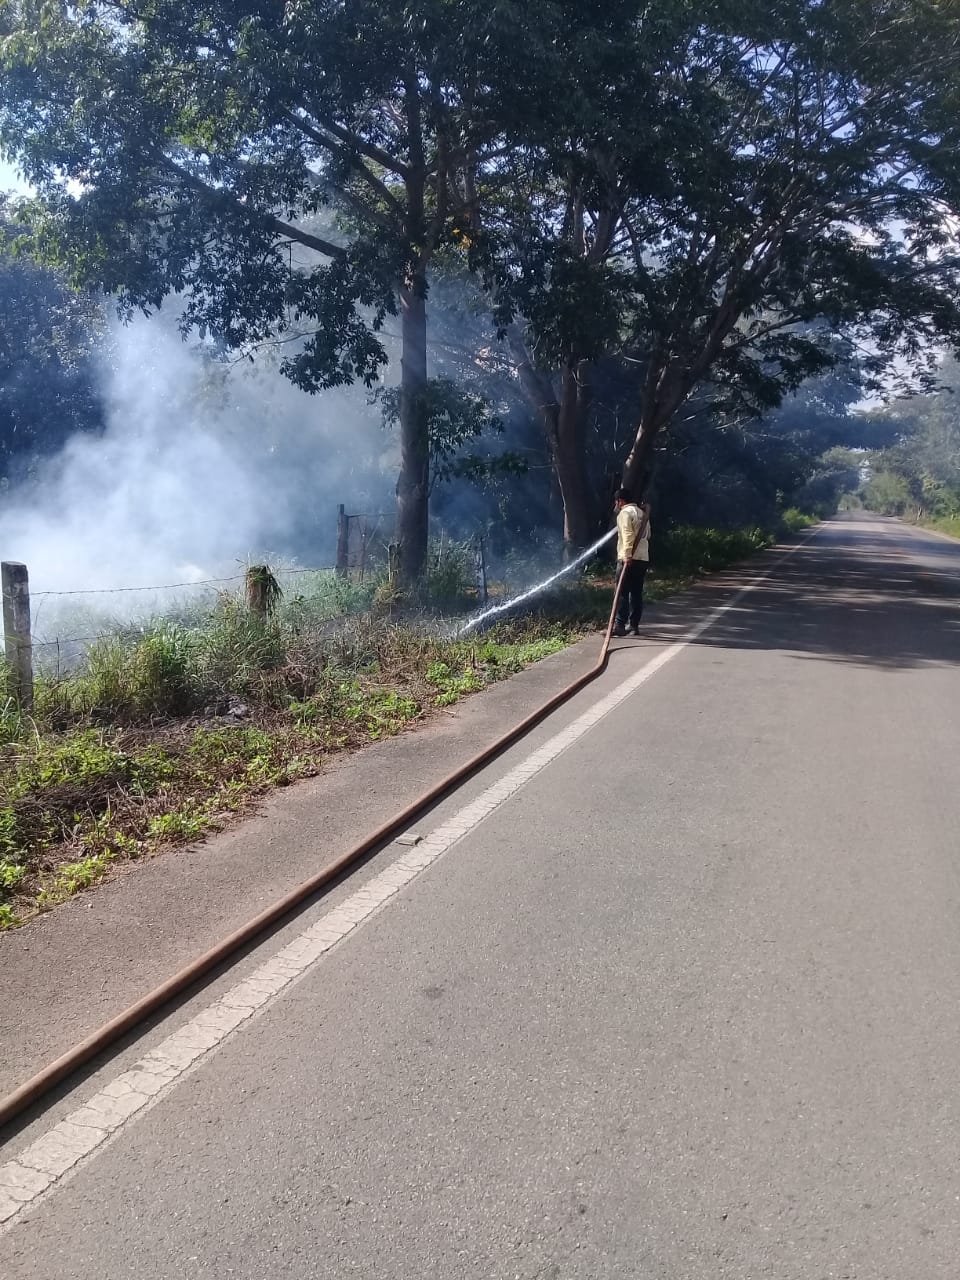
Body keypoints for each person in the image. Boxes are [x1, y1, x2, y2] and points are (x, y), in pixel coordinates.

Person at [613, 488, 651, 637]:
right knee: (636, 592)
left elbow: (628, 535)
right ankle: (634, 626)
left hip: (628, 558)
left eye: (616, 503)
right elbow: (648, 535)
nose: (616, 506)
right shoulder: (642, 514)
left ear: (620, 501)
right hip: (642, 558)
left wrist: (627, 555)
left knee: (622, 592)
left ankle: (619, 625)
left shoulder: (625, 513)